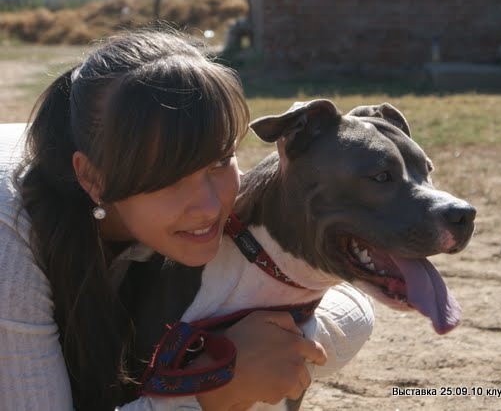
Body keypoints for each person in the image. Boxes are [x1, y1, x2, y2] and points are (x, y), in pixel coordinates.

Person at [0, 30, 374, 411]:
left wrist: (272, 345)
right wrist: (213, 387)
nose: (210, 207)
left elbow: (352, 302)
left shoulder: (200, 201)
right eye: (171, 178)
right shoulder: (10, 236)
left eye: (220, 160)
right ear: (93, 179)